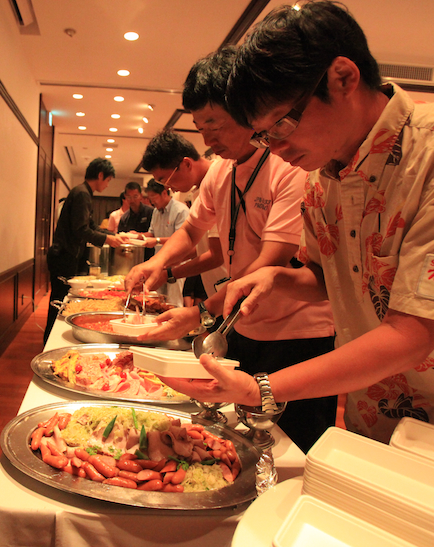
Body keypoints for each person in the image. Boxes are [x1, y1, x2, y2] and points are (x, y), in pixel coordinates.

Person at [166, 1, 434, 448]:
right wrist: (277, 278)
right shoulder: (323, 179)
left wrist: (262, 389)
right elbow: (328, 279)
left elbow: (413, 333)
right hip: (373, 421)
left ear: (344, 78)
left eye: (282, 125)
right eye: (263, 136)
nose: (275, 148)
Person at [125, 47, 336, 452]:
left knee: (293, 450)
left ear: (247, 109)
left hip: (297, 332)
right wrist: (158, 263)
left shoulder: (289, 166)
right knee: (238, 441)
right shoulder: (220, 171)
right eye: (199, 127)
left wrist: (200, 313)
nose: (207, 139)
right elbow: (192, 230)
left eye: (215, 124)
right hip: (243, 323)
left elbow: (269, 262)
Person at [43, 158, 126, 342]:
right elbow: (81, 230)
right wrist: (108, 239)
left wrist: (113, 235)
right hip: (64, 256)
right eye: (108, 180)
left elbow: (91, 226)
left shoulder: (83, 192)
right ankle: (50, 340)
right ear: (100, 175)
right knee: (59, 302)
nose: (107, 184)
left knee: (61, 300)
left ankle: (51, 338)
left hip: (66, 256)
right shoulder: (82, 193)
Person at [140, 130, 227, 299]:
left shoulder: (219, 181)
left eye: (165, 180)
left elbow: (217, 255)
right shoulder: (199, 190)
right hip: (218, 289)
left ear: (186, 164)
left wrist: (168, 273)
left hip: (234, 287)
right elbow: (195, 243)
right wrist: (160, 265)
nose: (167, 187)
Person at [133, 181, 190, 306]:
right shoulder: (156, 211)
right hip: (158, 263)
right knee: (156, 300)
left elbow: (182, 240)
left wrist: (157, 240)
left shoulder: (180, 210)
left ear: (164, 193)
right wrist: (137, 236)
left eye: (153, 197)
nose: (152, 201)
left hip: (176, 263)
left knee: (174, 301)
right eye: (150, 198)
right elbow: (152, 233)